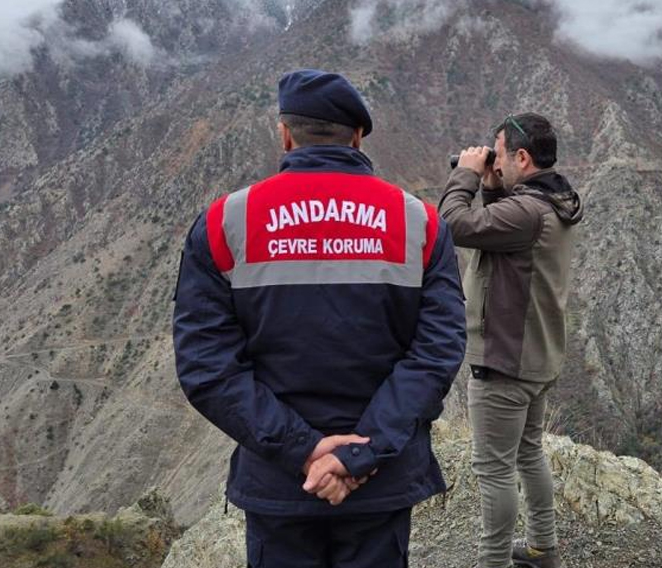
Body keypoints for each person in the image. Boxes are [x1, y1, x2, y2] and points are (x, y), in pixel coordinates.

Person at [172, 69, 466, 568]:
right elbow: (437, 352)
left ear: (285, 134)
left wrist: (305, 451)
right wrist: (357, 457)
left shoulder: (226, 222)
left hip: (281, 481)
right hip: (381, 481)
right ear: (357, 137)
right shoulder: (420, 222)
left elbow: (205, 364)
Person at [438, 113, 583, 568]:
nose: (493, 159)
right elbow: (499, 224)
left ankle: (493, 563)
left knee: (494, 471)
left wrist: (464, 174)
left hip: (504, 360)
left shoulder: (526, 212)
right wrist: (492, 180)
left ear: (522, 156)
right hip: (536, 355)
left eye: (498, 152)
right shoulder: (548, 202)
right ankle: (542, 547)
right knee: (528, 452)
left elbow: (453, 225)